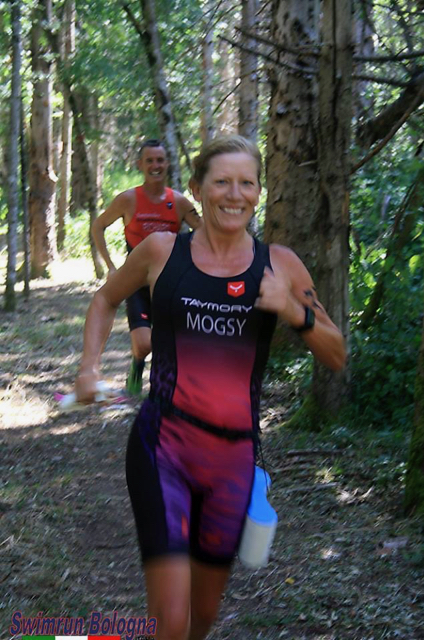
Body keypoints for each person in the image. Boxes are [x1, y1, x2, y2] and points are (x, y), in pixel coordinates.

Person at [75, 135, 346, 640]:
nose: (234, 194)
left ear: (259, 192)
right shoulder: (160, 251)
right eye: (222, 181)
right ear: (198, 189)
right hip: (164, 450)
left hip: (233, 464)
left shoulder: (280, 265)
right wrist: (89, 368)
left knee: (202, 615)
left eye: (247, 183)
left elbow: (336, 353)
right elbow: (105, 299)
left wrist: (293, 310)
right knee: (172, 620)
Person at [92, 139, 202, 394]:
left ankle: (165, 386)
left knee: (176, 340)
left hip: (172, 282)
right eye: (150, 160)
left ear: (167, 163)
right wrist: (110, 266)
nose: (155, 165)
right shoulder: (127, 200)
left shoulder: (180, 203)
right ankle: (138, 363)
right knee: (143, 344)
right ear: (140, 164)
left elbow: (206, 233)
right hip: (136, 281)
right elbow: (98, 226)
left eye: (160, 160)